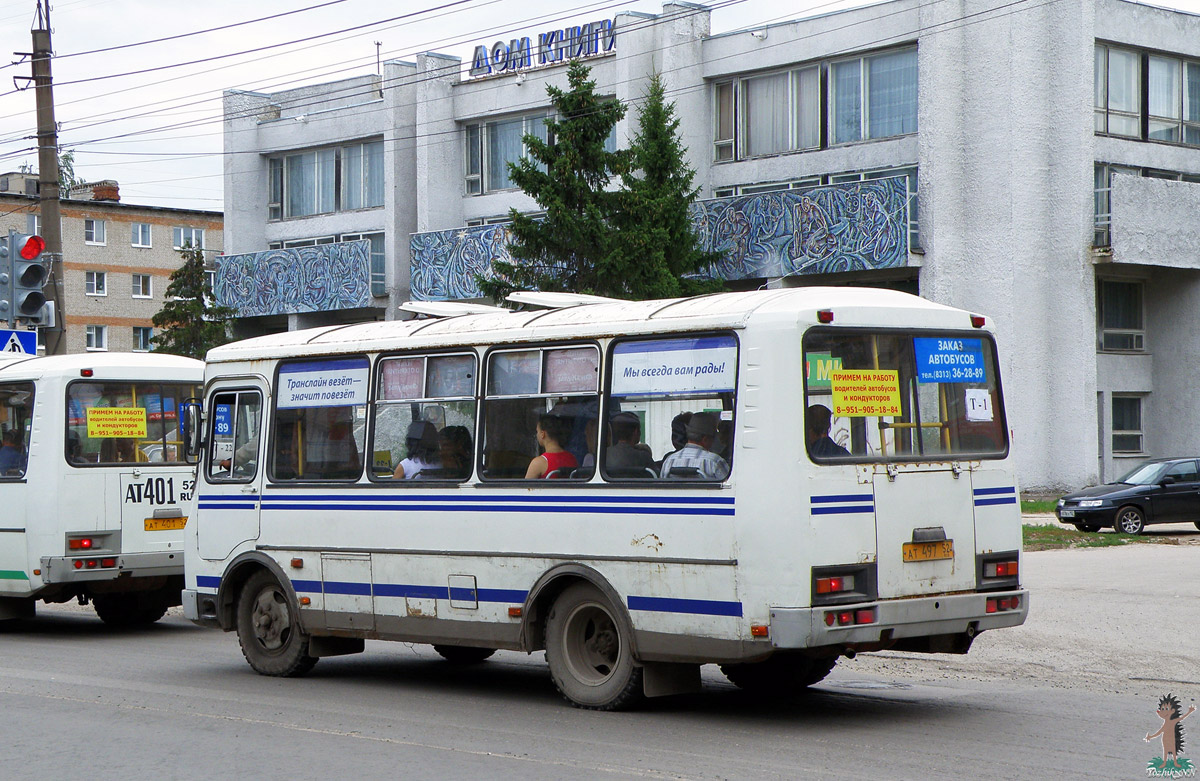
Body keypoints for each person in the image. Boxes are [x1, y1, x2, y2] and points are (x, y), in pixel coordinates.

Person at [659, 411, 730, 480]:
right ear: (705, 439)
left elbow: (661, 488)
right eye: (713, 438)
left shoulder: (669, 461)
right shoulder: (714, 461)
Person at [525, 413, 578, 479]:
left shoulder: (538, 463)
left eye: (537, 431)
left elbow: (525, 488)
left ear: (542, 434)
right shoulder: (572, 458)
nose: (537, 435)